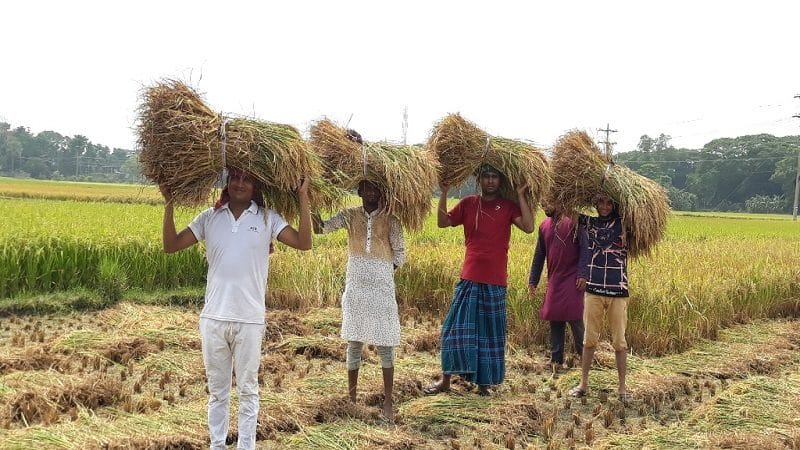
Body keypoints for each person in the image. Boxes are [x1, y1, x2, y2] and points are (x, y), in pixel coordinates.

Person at [159, 169, 312, 450]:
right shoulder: (209, 217)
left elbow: (304, 243)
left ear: (256, 187)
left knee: (248, 391)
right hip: (213, 318)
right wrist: (169, 204)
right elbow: (171, 246)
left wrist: (303, 197)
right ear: (227, 183)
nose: (240, 184)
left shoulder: (268, 218)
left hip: (250, 320)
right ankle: (217, 445)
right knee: (218, 393)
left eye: (248, 179)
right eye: (235, 178)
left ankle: (246, 447)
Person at [424, 164, 534, 396]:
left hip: (495, 281)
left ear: (500, 182)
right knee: (452, 330)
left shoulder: (507, 207)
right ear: (480, 180)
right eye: (486, 177)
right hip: (469, 279)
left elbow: (528, 227)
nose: (491, 181)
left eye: (495, 177)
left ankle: (484, 386)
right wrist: (443, 192)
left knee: (488, 335)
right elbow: (443, 222)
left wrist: (522, 195)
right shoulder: (469, 203)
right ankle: (446, 381)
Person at [312, 178, 405, 421]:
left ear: (382, 191)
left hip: (381, 286)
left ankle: (387, 401)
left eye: (376, 188)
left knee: (385, 342)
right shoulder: (349, 215)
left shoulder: (391, 219)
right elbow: (321, 228)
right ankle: (351, 399)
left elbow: (400, 253)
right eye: (367, 188)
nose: (371, 192)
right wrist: (310, 201)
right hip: (355, 285)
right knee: (354, 341)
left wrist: (381, 273)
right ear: (360, 191)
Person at [569, 192, 631, 401]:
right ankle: (583, 384)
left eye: (609, 202)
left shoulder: (625, 224)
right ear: (594, 203)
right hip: (593, 289)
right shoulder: (588, 223)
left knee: (619, 342)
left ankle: (622, 388)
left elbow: (640, 210)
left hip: (618, 290)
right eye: (600, 202)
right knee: (589, 341)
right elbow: (566, 207)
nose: (604, 206)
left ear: (615, 204)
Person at [527, 200, 585, 373]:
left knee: (575, 318)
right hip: (555, 278)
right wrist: (533, 281)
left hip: (573, 278)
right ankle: (556, 360)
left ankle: (585, 358)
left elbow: (585, 249)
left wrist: (583, 274)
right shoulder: (544, 226)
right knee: (555, 317)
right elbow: (539, 255)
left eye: (548, 203)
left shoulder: (574, 221)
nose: (545, 207)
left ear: (559, 200)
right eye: (542, 204)